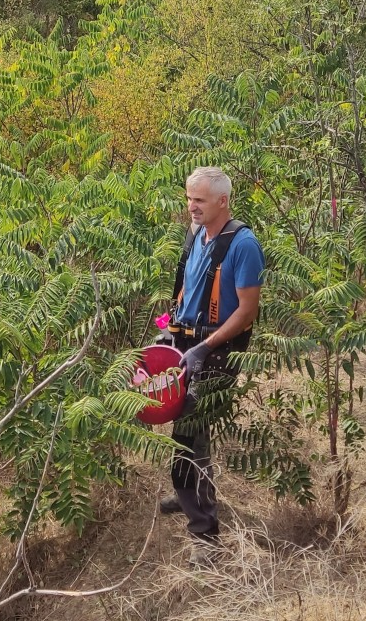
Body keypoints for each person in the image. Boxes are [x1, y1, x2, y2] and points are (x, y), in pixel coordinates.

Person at [159, 166, 264, 565]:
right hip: (184, 344)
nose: (192, 206)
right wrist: (167, 331)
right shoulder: (195, 235)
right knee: (177, 423)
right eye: (189, 198)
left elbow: (247, 313)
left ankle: (205, 534)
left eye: (200, 200)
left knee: (191, 431)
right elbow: (186, 294)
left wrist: (204, 347)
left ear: (223, 200)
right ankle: (186, 492)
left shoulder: (243, 244)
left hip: (217, 351)